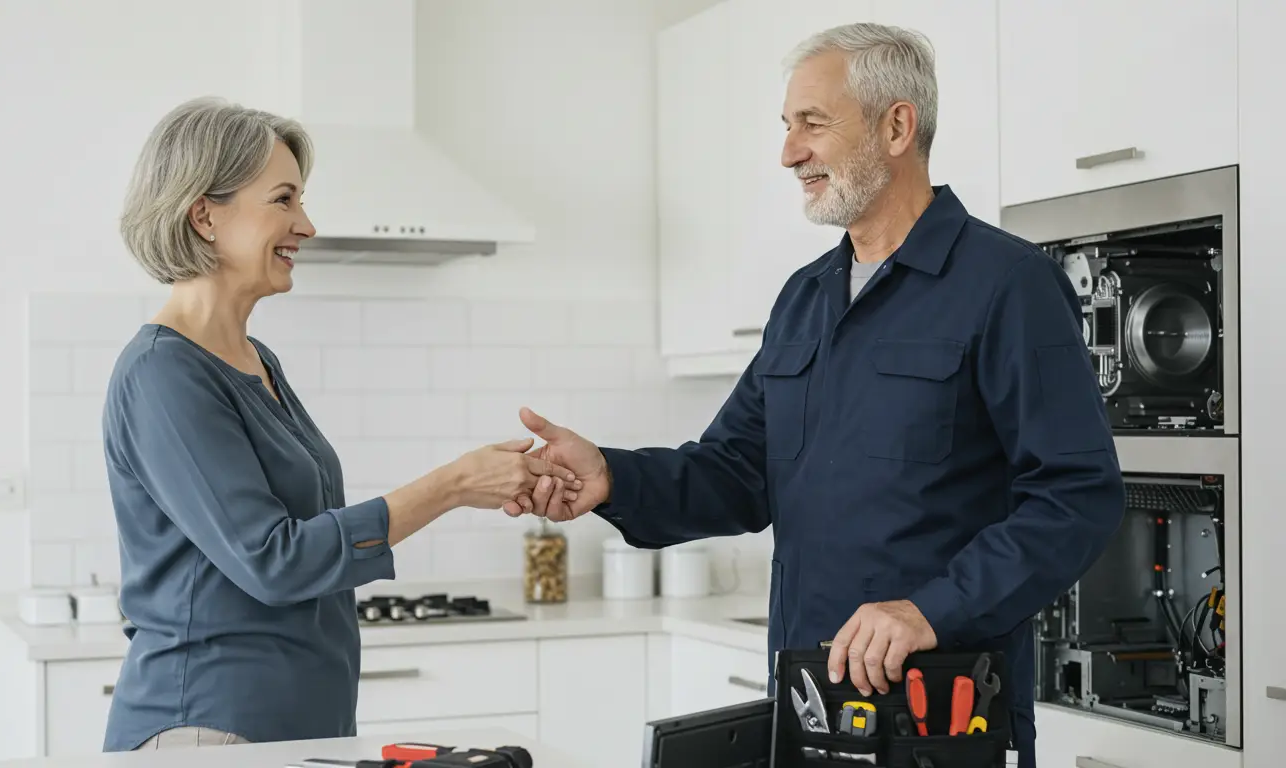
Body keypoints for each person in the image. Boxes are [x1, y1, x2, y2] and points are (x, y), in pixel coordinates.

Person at [503, 23, 1124, 766]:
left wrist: (931, 610)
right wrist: (610, 474)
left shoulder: (1008, 286)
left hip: (941, 718)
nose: (789, 152)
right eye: (787, 127)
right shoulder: (805, 299)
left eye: (813, 124)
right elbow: (735, 472)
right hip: (807, 708)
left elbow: (1076, 496)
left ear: (898, 125)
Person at [100, 96, 581, 752]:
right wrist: (454, 485)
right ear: (205, 214)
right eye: (284, 199)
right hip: (208, 726)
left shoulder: (252, 360)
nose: (307, 224)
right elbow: (275, 561)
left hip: (295, 724)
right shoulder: (163, 375)